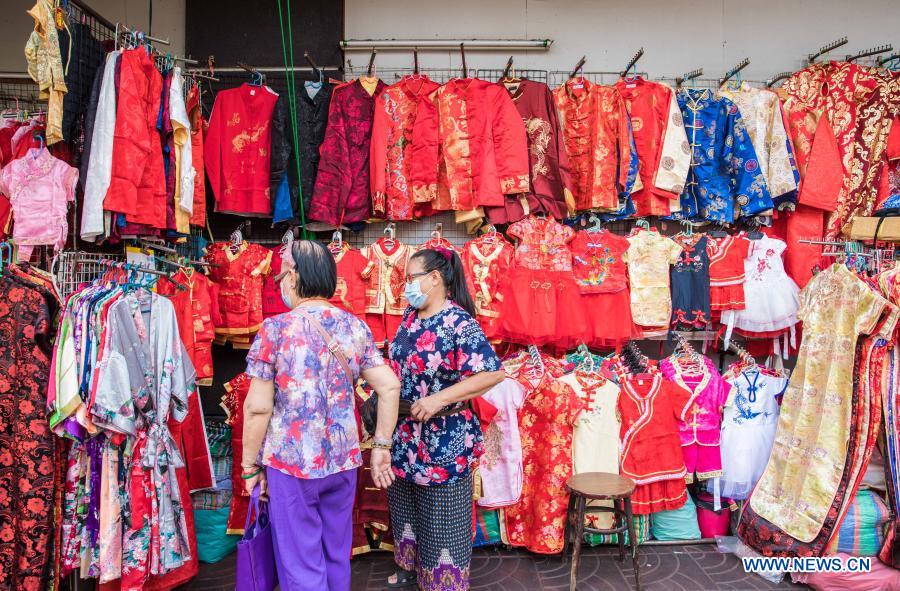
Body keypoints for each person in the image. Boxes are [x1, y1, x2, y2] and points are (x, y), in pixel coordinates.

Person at [241, 240, 401, 591]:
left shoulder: (275, 330)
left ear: (296, 276)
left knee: (301, 562)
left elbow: (257, 407)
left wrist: (249, 466)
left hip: (292, 466)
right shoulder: (354, 327)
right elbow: (389, 387)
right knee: (335, 554)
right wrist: (381, 447)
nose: (279, 279)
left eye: (282, 271)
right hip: (343, 464)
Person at [386, 247, 505, 590]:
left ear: (435, 278)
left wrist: (440, 398)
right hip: (404, 433)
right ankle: (411, 571)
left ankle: (444, 582)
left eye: (411, 278)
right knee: (406, 506)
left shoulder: (458, 322)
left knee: (442, 517)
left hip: (444, 436)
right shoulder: (409, 317)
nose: (406, 285)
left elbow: (492, 374)